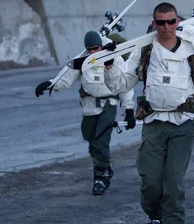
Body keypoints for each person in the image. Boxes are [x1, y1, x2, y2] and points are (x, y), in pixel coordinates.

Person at [103, 2, 194, 224]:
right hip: (154, 123)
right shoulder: (144, 51)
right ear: (154, 23)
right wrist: (110, 65)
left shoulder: (192, 51)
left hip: (183, 123)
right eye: (161, 22)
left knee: (173, 183)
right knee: (151, 182)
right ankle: (154, 216)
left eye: (171, 21)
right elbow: (121, 84)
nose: (167, 27)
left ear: (178, 22)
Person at [35, 30, 135, 196]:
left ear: (101, 46)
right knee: (90, 138)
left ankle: (100, 177)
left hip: (108, 103)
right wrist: (50, 85)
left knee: (101, 140)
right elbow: (66, 77)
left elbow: (123, 84)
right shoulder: (83, 59)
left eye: (95, 48)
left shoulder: (113, 57)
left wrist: (129, 109)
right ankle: (105, 165)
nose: (92, 52)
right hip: (89, 104)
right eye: (89, 49)